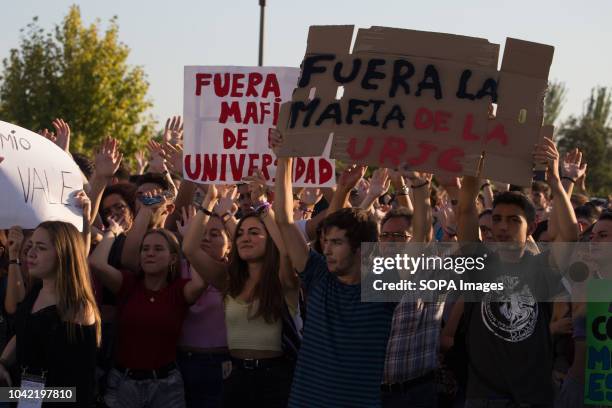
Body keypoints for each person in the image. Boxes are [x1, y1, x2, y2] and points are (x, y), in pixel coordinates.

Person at [271, 130, 396, 408]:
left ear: (361, 249)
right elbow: (283, 220)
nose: (325, 249)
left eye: (336, 243)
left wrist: (420, 192)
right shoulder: (318, 276)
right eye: (326, 241)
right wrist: (284, 159)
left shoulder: (384, 290)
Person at [454, 137, 579, 407]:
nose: (501, 227)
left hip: (533, 398)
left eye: (513, 220)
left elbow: (570, 234)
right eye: (497, 219)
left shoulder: (543, 268)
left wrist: (556, 181)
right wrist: (476, 158)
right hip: (482, 398)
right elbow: (465, 209)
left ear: (531, 227)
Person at [182, 184, 298, 408]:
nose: (245, 238)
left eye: (254, 233)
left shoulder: (283, 282)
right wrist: (209, 201)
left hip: (275, 378)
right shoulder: (228, 281)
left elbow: (285, 250)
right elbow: (189, 249)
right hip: (234, 375)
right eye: (241, 234)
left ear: (269, 240)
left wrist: (264, 207)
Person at [90, 200, 208, 408]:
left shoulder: (179, 290)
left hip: (167, 387)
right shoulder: (128, 284)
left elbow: (200, 282)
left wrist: (190, 239)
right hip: (122, 384)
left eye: (157, 249)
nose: (149, 253)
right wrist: (113, 232)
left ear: (173, 258)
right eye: (145, 249)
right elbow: (97, 263)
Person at [0, 220, 101, 407]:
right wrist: (3, 362)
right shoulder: (37, 289)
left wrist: (12, 395)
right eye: (30, 246)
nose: (30, 252)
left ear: (64, 254)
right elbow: (23, 330)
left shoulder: (77, 309)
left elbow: (73, 390)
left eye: (41, 247)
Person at [177, 209, 231, 408]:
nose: (206, 238)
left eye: (215, 234)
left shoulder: (236, 274)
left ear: (230, 244)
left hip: (221, 365)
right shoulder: (176, 268)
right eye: (201, 233)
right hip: (181, 363)